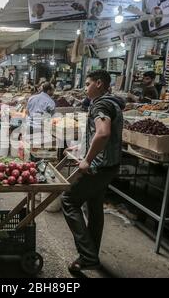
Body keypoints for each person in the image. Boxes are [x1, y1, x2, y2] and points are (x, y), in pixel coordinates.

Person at [62, 70, 124, 274]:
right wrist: (80, 148)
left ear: (99, 83)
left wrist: (87, 160)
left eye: (87, 83)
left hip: (99, 167)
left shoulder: (101, 104)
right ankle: (91, 254)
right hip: (110, 166)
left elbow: (103, 133)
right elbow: (98, 135)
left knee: (69, 201)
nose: (85, 87)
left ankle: (88, 257)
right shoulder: (112, 102)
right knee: (94, 208)